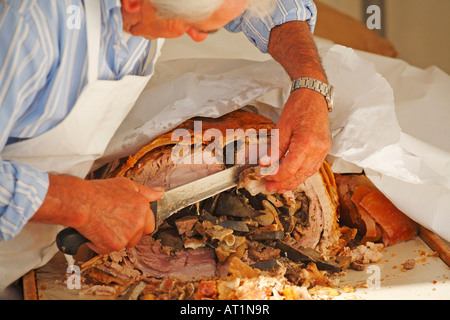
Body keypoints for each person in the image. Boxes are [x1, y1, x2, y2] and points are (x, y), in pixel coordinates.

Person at [0, 0, 331, 297]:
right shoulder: (27, 27)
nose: (199, 38)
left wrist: (310, 84)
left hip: (40, 256)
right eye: (191, 27)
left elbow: (271, 5)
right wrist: (83, 205)